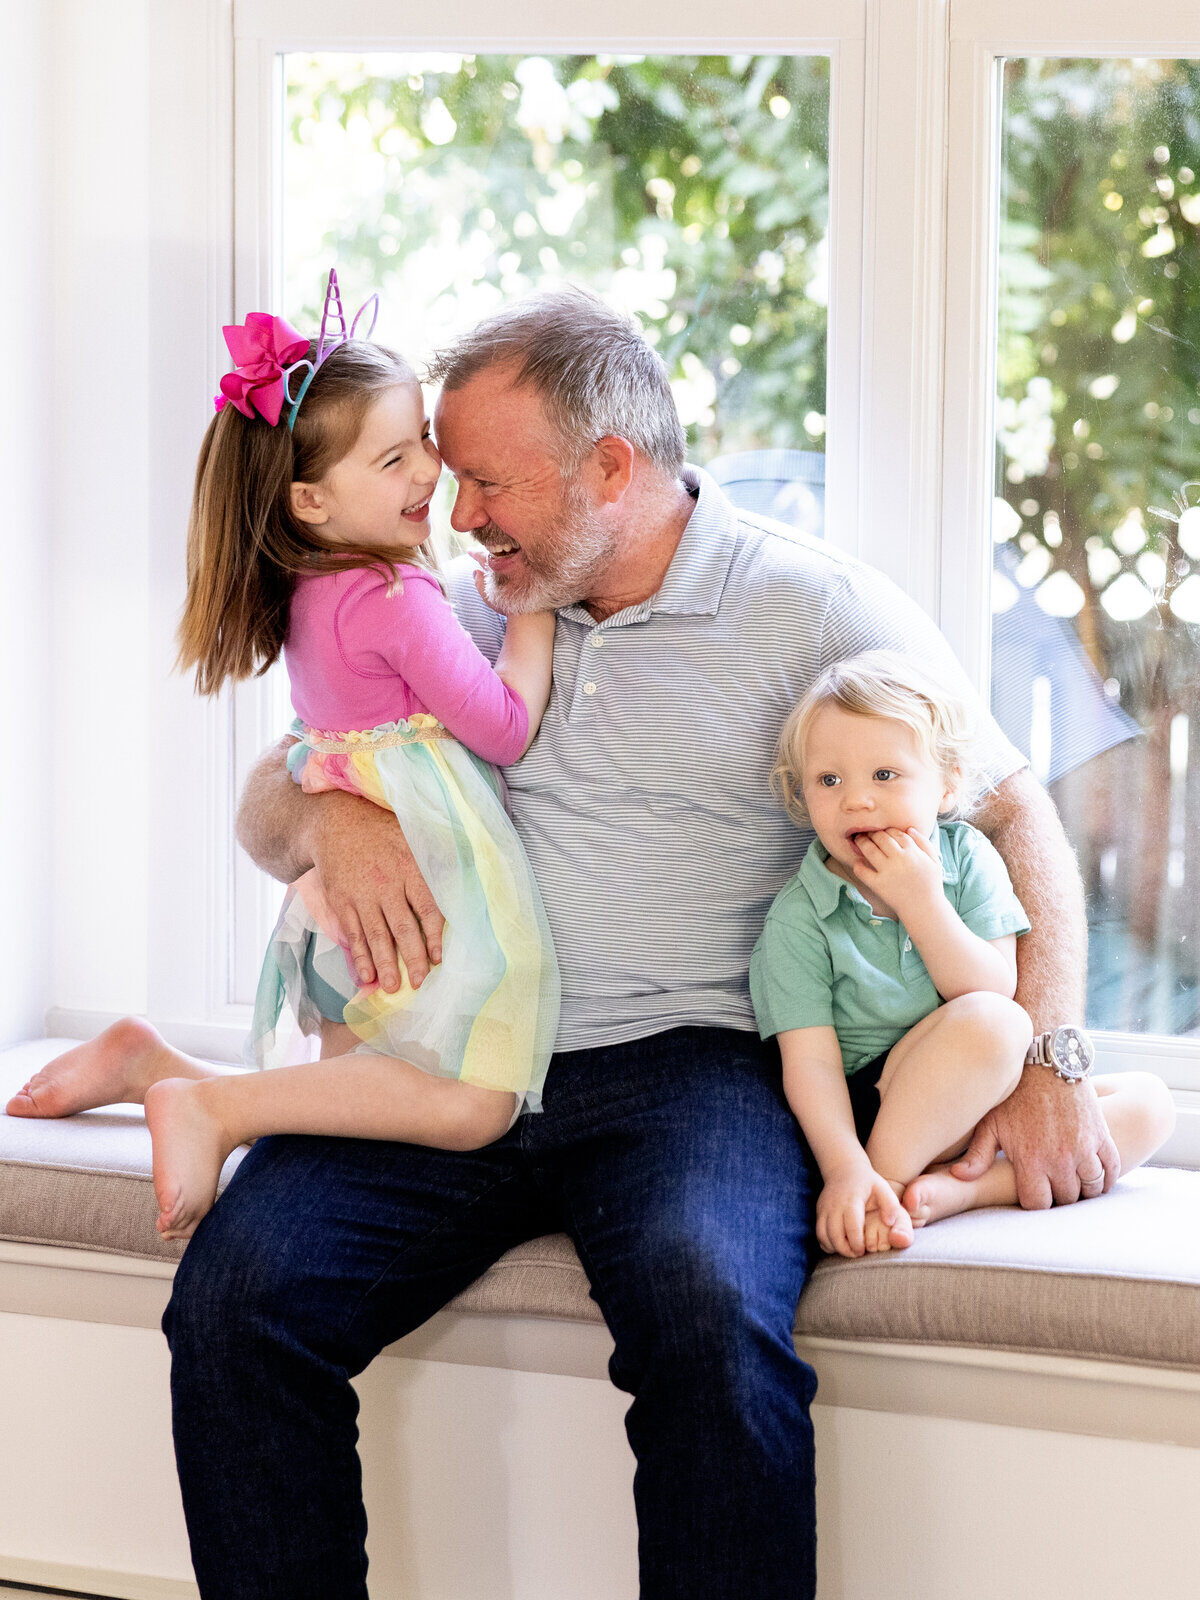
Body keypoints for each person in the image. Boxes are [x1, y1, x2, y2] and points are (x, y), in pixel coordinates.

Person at [5, 288, 1115, 1598]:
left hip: (686, 1067)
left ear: (611, 471)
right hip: (448, 1052)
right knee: (240, 1304)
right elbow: (272, 791)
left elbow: (1016, 810)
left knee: (713, 1322)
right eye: (446, 478)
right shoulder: (462, 599)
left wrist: (1055, 1056)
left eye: (486, 481)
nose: (458, 512)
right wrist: (326, 826)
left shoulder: (810, 607)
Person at [7, 289, 559, 1243]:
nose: (433, 470)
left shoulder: (312, 584)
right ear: (310, 499)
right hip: (425, 874)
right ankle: (209, 1108)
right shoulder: (393, 595)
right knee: (477, 1105)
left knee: (342, 1100)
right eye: (396, 458)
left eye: (423, 439)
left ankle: (157, 1065)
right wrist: (535, 604)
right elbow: (504, 728)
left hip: (336, 890)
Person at [751, 651, 1175, 1258]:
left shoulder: (968, 859)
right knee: (1000, 1024)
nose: (857, 801)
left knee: (1151, 1105)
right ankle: (884, 1187)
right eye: (829, 780)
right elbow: (810, 1065)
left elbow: (992, 981)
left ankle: (964, 1192)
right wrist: (848, 1168)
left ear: (947, 784)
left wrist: (922, 902)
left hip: (989, 1097)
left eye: (885, 775)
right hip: (885, 1112)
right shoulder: (799, 916)